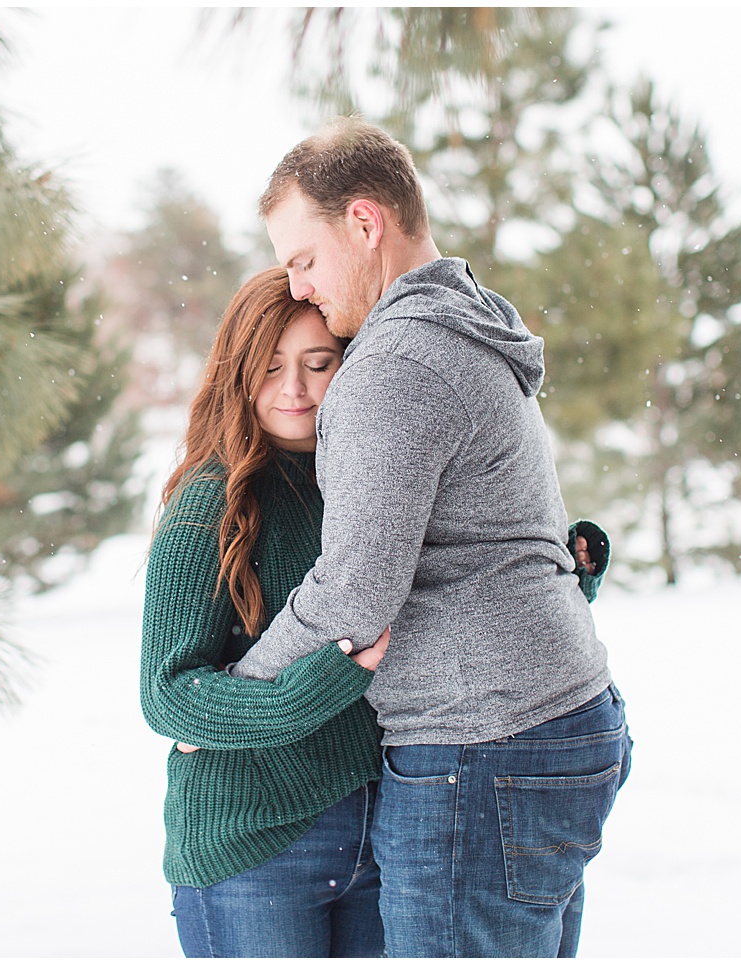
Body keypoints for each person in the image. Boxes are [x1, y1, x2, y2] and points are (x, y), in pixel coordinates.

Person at [230, 117, 632, 958]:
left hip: (482, 747)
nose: (299, 289)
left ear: (365, 224)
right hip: (560, 718)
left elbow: (354, 595)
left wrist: (240, 692)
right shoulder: (467, 323)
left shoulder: (393, 367)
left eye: (303, 260)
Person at [141, 266, 610, 958]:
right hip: (252, 844)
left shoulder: (374, 473)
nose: (295, 389)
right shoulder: (212, 504)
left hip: (376, 830)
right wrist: (311, 688)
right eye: (270, 368)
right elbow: (167, 695)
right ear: (238, 376)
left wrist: (559, 572)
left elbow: (438, 596)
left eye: (318, 362)